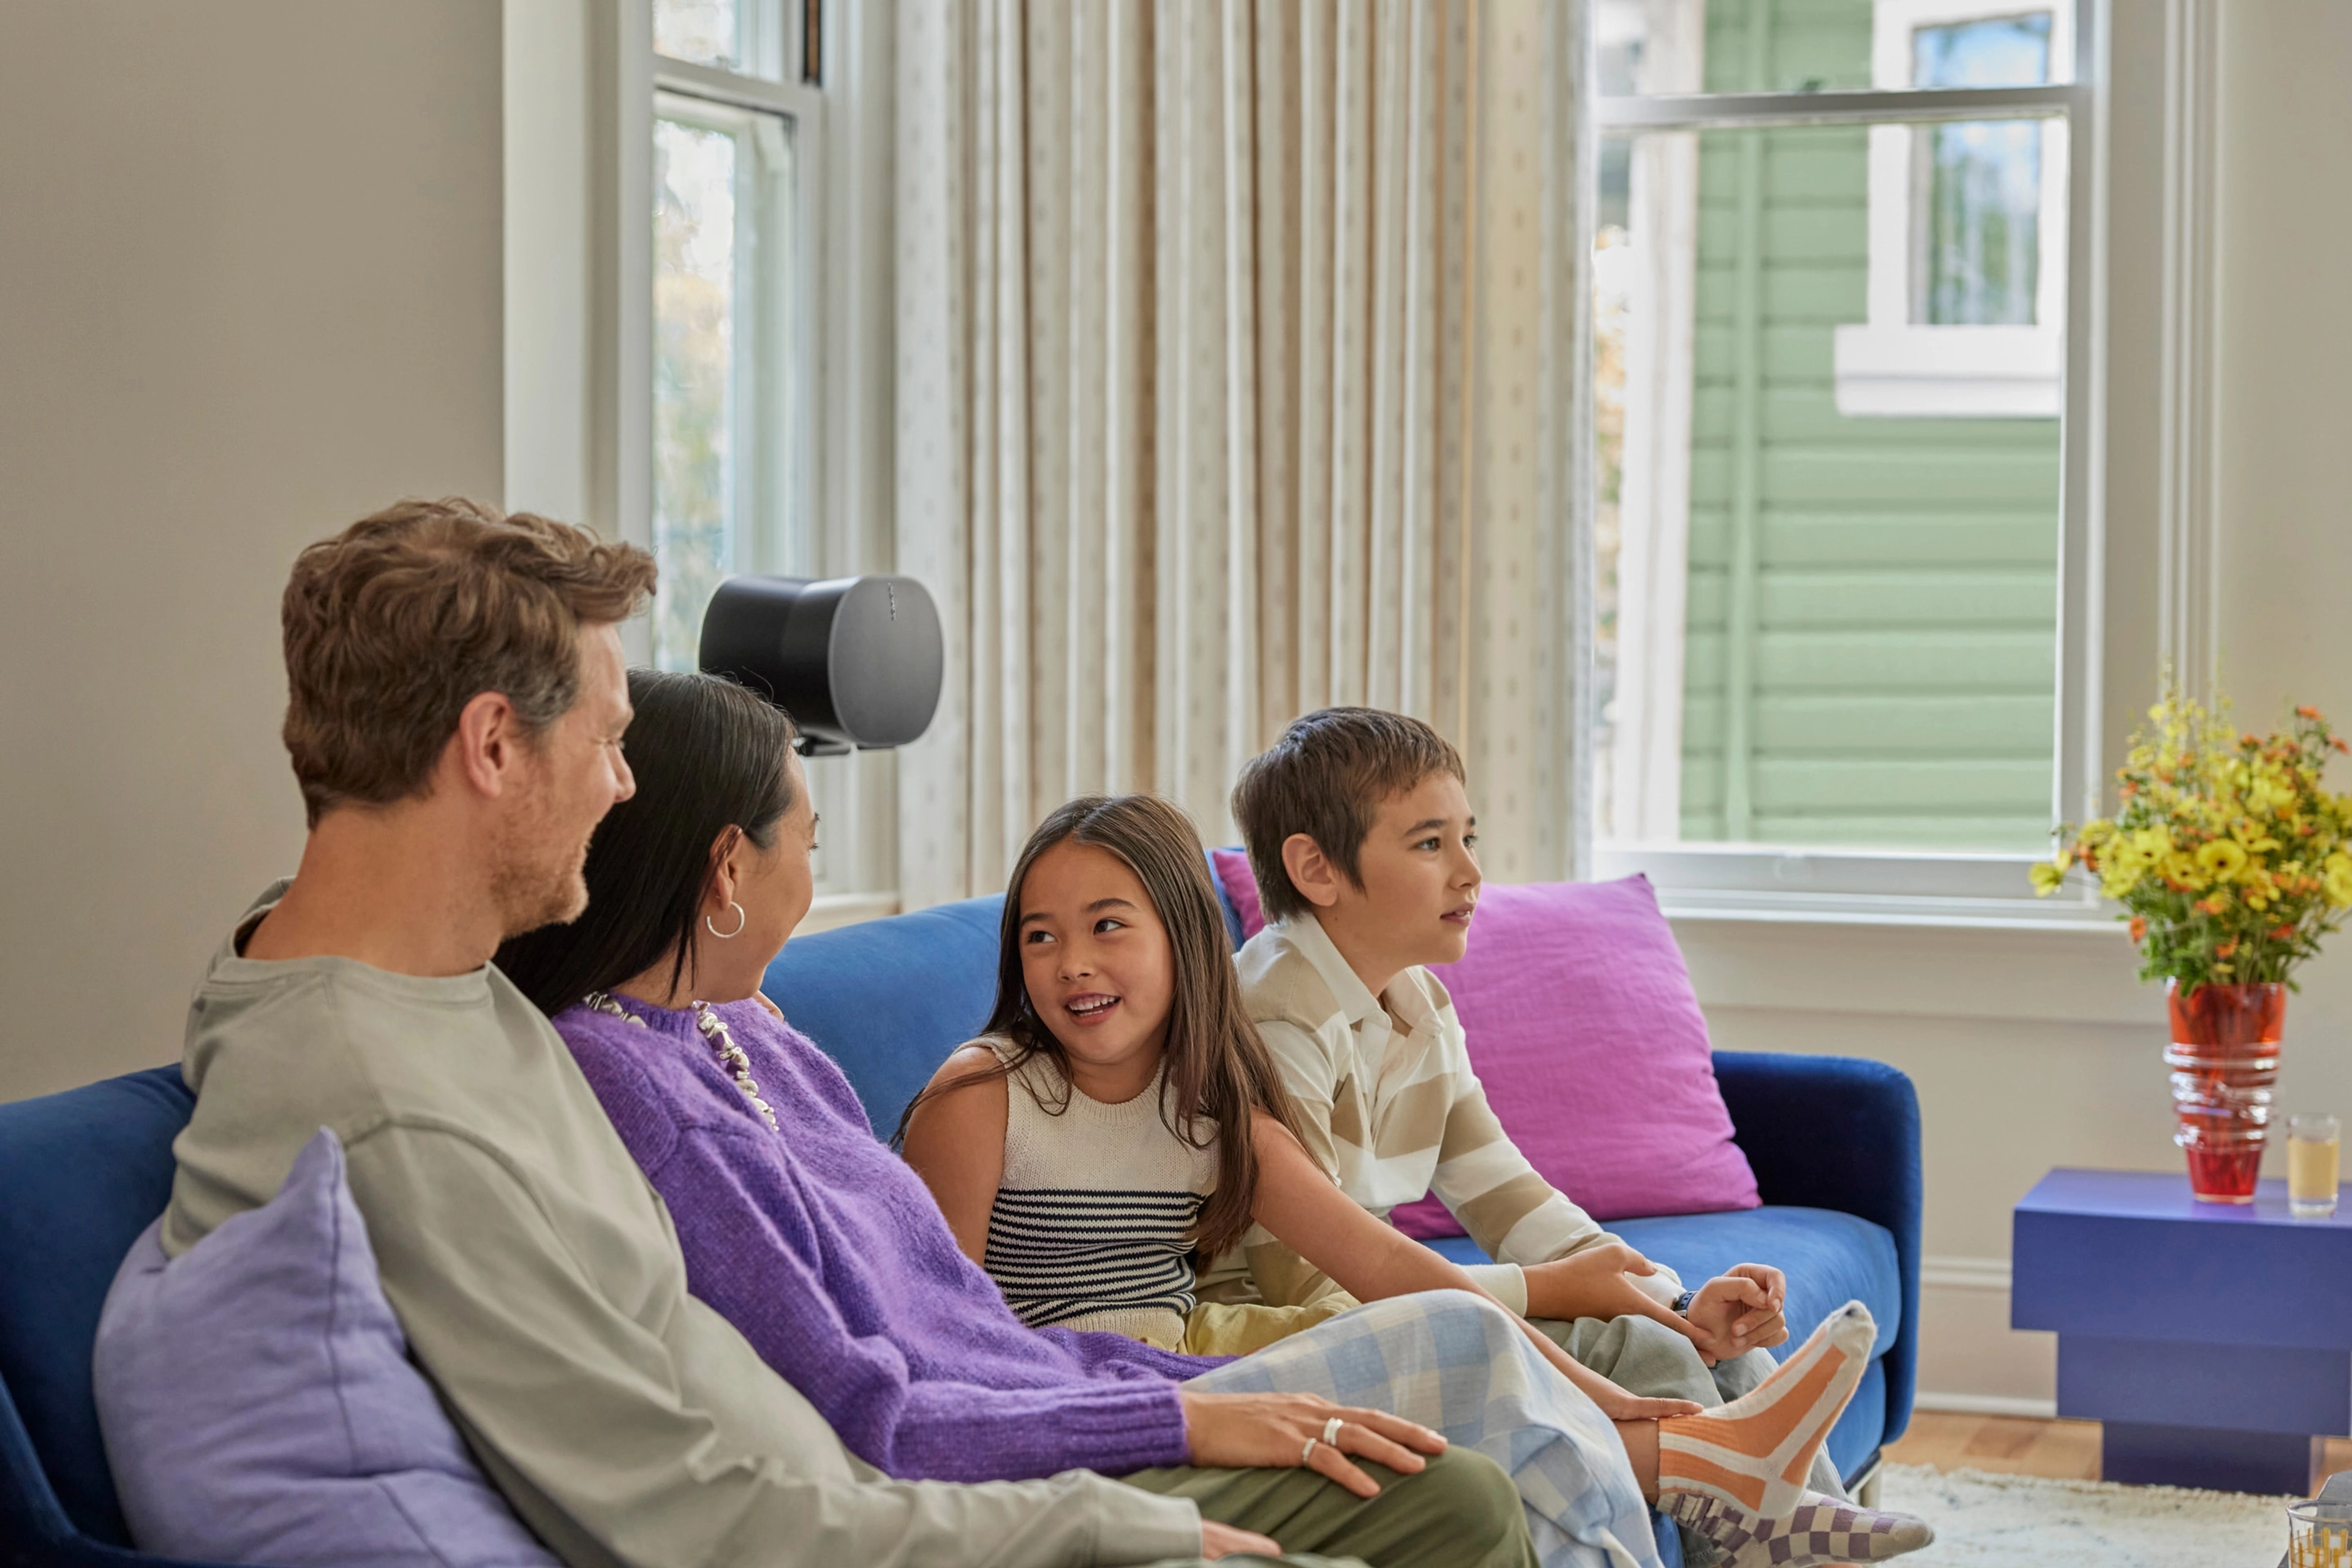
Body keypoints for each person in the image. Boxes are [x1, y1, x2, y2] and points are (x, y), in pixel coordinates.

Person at [160, 499, 1532, 1568]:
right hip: (876, 1516)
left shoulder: (398, 971)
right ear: (490, 748)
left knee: (1444, 1478)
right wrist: (1119, 1520)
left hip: (901, 1471)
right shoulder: (395, 1105)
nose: (626, 788)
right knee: (1450, 1506)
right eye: (610, 740)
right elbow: (698, 1506)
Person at [901, 794, 1931, 1568]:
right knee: (1470, 1343)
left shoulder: (1210, 1099)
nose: (1072, 963)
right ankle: (1723, 1470)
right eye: (1042, 936)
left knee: (1477, 1329)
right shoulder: (987, 1095)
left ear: (1183, 936)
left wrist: (1606, 1384)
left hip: (1191, 1354)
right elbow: (936, 1333)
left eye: (1107, 926)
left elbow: (1385, 1262)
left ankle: (1733, 1476)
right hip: (1091, 1386)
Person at [1223, 707, 1861, 1564]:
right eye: (1429, 844)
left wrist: (1676, 1300)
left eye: (1469, 837)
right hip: (1285, 1334)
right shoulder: (1274, 1015)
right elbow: (1309, 1279)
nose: (1471, 872)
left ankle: (1821, 1544)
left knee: (1702, 1350)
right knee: (1630, 1347)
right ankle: (1766, 1539)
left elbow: (1514, 1199)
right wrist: (1563, 1292)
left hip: (1385, 1307)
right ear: (1317, 869)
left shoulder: (1419, 1007)